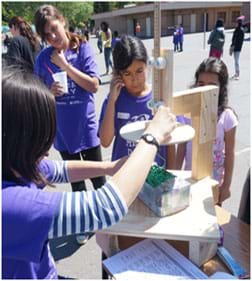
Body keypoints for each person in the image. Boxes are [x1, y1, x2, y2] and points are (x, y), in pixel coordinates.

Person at [2, 64, 176, 279]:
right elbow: (105, 207)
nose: (48, 149)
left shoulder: (13, 166)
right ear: (18, 139)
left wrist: (110, 167)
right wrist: (153, 136)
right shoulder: (9, 205)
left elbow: (60, 169)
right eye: (42, 137)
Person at [34, 4, 105, 244]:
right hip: (63, 132)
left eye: (54, 29)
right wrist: (48, 91)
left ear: (62, 21)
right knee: (76, 184)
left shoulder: (82, 46)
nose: (53, 37)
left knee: (99, 179)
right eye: (47, 34)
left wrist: (65, 66)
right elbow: (36, 94)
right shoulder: (43, 58)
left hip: (86, 128)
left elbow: (94, 85)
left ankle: (106, 219)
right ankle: (84, 224)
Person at [99, 35, 175, 169]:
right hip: (125, 170)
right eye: (127, 74)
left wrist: (172, 173)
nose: (134, 79)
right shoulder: (115, 99)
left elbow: (170, 140)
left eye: (139, 71)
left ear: (147, 65)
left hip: (155, 171)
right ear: (118, 74)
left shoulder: (159, 96)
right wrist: (112, 101)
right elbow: (105, 141)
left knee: (158, 190)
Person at [176, 57, 238, 206]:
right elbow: (182, 148)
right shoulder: (187, 115)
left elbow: (230, 154)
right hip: (190, 182)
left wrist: (226, 186)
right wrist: (174, 178)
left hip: (213, 186)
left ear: (221, 88)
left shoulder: (227, 117)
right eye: (201, 84)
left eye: (212, 86)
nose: (204, 90)